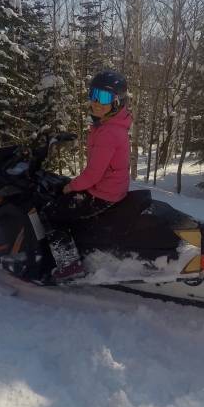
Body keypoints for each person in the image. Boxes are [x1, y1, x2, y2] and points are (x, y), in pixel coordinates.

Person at [45, 69, 133, 281]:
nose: (95, 102)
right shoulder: (110, 125)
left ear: (117, 102)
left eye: (103, 97)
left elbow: (93, 175)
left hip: (104, 192)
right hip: (112, 187)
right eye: (93, 94)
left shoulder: (108, 132)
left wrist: (71, 187)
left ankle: (69, 266)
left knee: (52, 213)